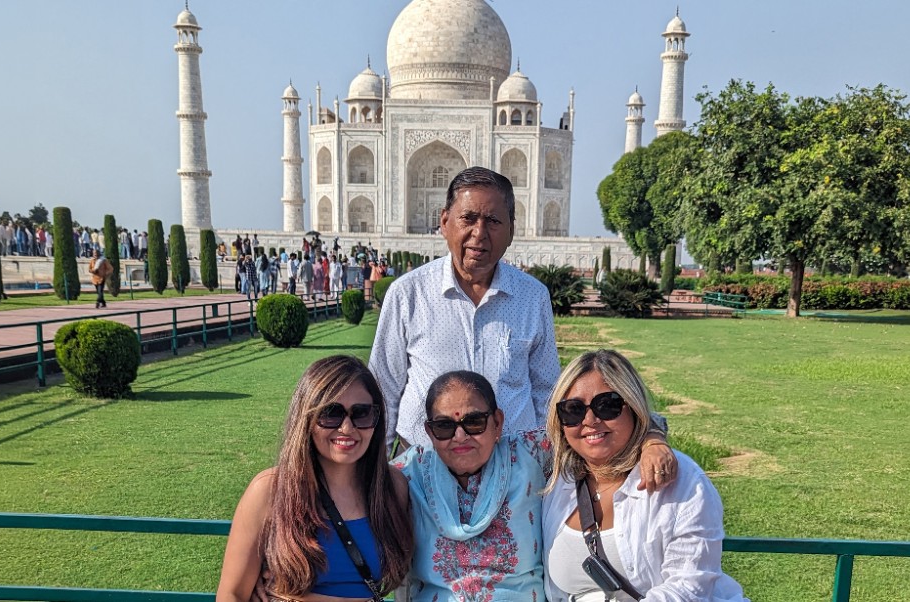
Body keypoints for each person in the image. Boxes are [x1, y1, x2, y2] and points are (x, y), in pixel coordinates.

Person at [395, 370, 677, 602]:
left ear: (497, 423)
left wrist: (653, 441)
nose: (460, 436)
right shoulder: (413, 471)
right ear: (430, 432)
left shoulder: (529, 453)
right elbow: (361, 472)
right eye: (444, 427)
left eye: (474, 422)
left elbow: (607, 427)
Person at [370, 166, 560, 451]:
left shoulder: (532, 297)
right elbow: (383, 389)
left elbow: (547, 392)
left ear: (511, 230)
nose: (479, 233)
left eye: (493, 220)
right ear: (445, 222)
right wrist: (378, 475)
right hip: (423, 469)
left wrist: (544, 464)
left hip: (511, 469)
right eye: (468, 218)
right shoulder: (409, 293)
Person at [542, 350, 748, 602]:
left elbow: (689, 587)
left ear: (633, 407)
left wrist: (653, 438)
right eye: (573, 410)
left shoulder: (681, 482)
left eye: (607, 406)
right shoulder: (555, 478)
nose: (590, 420)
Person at [217, 355, 413, 602]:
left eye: (361, 413)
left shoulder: (393, 487)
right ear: (306, 418)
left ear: (377, 419)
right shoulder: (269, 490)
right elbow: (231, 594)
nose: (347, 428)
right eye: (331, 413)